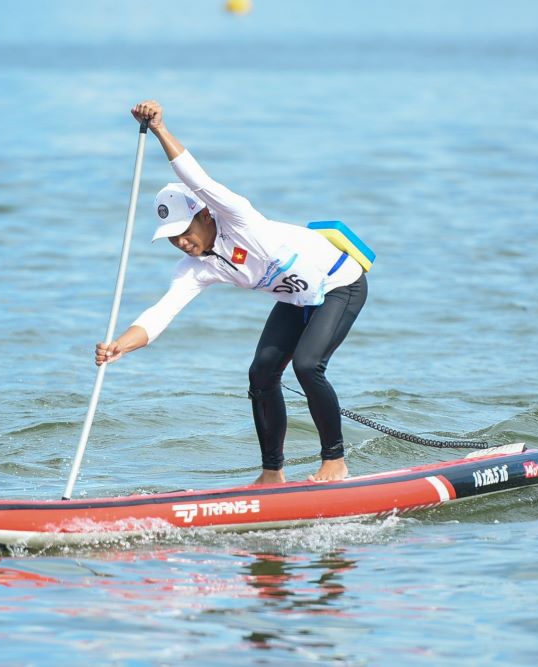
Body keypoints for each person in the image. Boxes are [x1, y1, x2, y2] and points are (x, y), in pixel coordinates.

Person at [95, 100, 367, 484]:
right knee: (260, 374)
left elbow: (197, 180)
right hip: (295, 298)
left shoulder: (237, 217)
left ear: (205, 215)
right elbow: (161, 313)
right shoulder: (197, 268)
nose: (181, 242)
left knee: (307, 366)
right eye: (172, 238)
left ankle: (335, 463)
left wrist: (159, 128)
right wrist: (120, 345)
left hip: (341, 283)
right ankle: (273, 474)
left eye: (184, 231)